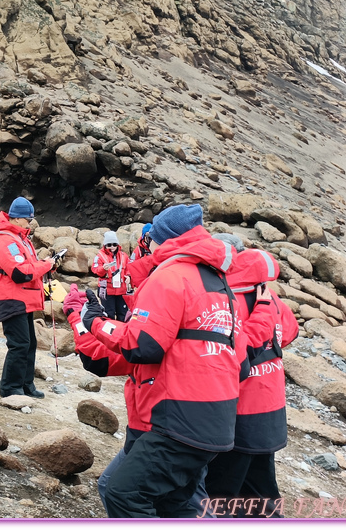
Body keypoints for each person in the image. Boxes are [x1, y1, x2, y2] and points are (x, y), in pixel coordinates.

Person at [80, 204, 248, 518]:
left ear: (164, 240)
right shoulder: (222, 286)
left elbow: (143, 346)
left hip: (178, 420)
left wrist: (96, 323)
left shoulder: (171, 275)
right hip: (218, 422)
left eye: (152, 239)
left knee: (122, 494)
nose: (148, 245)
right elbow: (240, 362)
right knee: (176, 503)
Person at [204, 243, 299, 517]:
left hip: (239, 412)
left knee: (219, 492)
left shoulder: (226, 300)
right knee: (261, 489)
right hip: (270, 409)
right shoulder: (272, 299)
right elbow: (289, 334)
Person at [0, 196, 59, 398]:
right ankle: (10, 388)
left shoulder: (22, 239)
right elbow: (20, 273)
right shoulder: (6, 240)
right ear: (17, 218)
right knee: (19, 345)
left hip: (23, 300)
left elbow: (30, 268)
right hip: (12, 299)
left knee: (29, 344)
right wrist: (46, 264)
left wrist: (48, 265)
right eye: (27, 219)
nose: (30, 222)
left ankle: (26, 385)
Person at [91, 231, 130, 321]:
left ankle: (122, 334)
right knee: (108, 315)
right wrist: (103, 269)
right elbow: (95, 271)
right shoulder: (99, 256)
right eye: (109, 245)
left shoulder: (124, 256)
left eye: (114, 244)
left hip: (121, 289)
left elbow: (129, 269)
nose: (112, 247)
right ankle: (109, 334)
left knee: (123, 314)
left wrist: (129, 277)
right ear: (105, 245)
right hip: (107, 290)